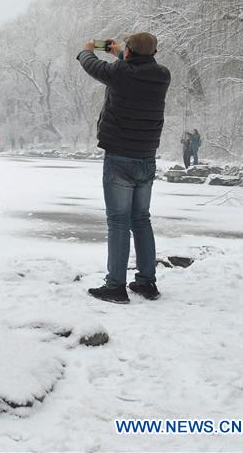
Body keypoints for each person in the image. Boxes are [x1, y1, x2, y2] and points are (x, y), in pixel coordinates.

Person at [76, 33, 171, 304]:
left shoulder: (121, 73)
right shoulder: (163, 75)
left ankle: (115, 286)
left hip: (119, 158)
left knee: (118, 222)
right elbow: (136, 67)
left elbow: (92, 65)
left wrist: (86, 50)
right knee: (141, 219)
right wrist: (119, 51)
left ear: (129, 52)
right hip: (147, 158)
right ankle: (146, 283)